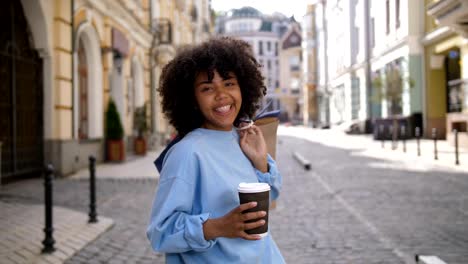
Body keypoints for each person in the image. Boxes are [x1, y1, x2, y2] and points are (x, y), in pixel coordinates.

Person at [146, 37, 284, 263]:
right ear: (192, 99)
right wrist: (218, 226)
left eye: (229, 83)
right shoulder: (187, 153)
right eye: (207, 88)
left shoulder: (243, 138)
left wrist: (260, 162)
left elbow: (270, 199)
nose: (221, 95)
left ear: (243, 87)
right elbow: (160, 233)